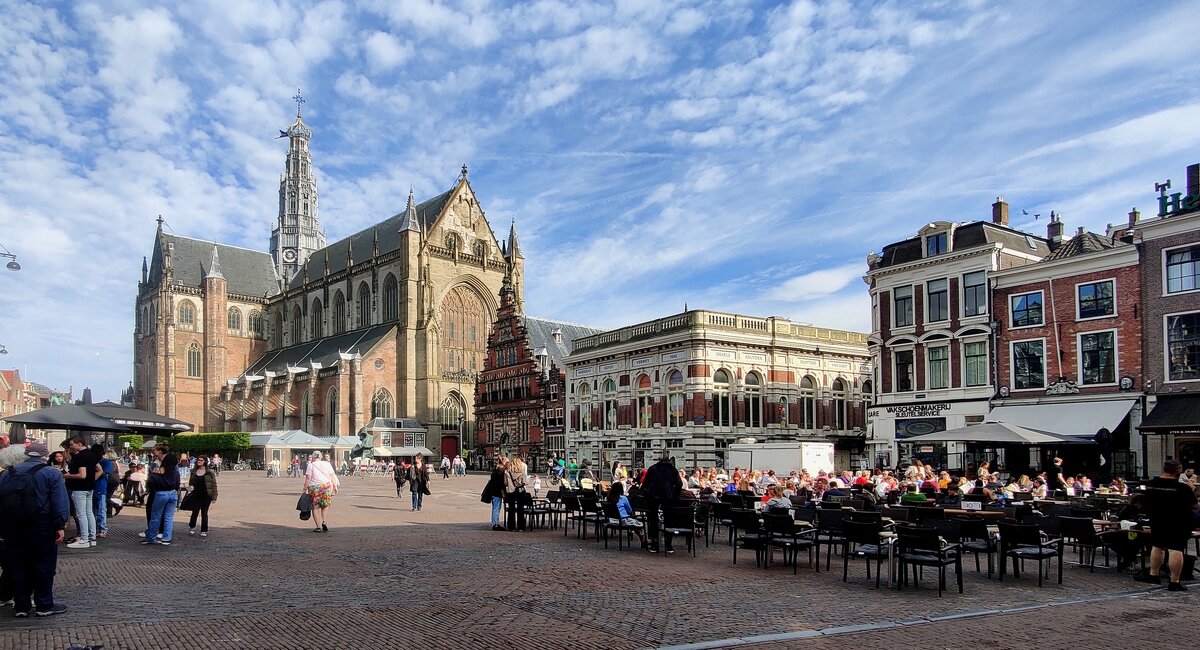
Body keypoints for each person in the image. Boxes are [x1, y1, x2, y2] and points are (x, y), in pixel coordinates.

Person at [0, 442, 71, 617]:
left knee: (17, 564)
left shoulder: (7, 474)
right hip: (41, 523)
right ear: (45, 456)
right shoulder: (51, 473)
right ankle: (44, 605)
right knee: (43, 564)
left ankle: (21, 606)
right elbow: (59, 502)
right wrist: (60, 525)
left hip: (12, 524)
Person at [1136, 460, 1199, 591]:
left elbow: (1144, 502)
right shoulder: (1182, 488)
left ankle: (1154, 574)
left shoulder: (1151, 485)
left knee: (1158, 546)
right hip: (1178, 521)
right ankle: (1174, 581)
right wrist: (1192, 489)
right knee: (1175, 549)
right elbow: (1194, 505)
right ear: (1179, 471)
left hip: (1157, 519)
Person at [63, 436, 101, 549]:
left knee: (81, 514)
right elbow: (100, 470)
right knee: (89, 512)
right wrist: (91, 480)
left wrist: (67, 475)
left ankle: (84, 539)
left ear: (79, 444)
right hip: (90, 487)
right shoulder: (91, 455)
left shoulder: (80, 456)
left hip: (80, 488)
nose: (70, 447)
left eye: (71, 444)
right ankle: (92, 538)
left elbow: (82, 475)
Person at [642, 452, 683, 554]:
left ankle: (654, 544)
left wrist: (646, 492)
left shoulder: (652, 468)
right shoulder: (673, 470)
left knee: (653, 520)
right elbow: (679, 484)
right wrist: (675, 495)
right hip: (668, 497)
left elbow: (646, 483)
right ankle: (669, 545)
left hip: (653, 496)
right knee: (669, 520)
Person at [143, 443, 179, 546]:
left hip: (161, 494)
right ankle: (166, 538)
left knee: (156, 516)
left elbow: (152, 483)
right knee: (168, 517)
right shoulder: (175, 472)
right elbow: (177, 483)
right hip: (172, 494)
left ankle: (151, 537)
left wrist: (155, 475)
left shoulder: (158, 472)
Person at [303, 451, 340, 532]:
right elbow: (332, 475)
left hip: (315, 487)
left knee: (315, 507)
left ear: (312, 457)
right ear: (320, 457)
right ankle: (324, 521)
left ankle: (318, 526)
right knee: (325, 505)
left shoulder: (310, 465)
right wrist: (335, 486)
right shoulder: (327, 464)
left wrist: (305, 488)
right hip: (326, 486)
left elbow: (308, 478)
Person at [606, 481, 648, 547]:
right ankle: (643, 541)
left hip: (612, 520)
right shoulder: (623, 498)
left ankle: (642, 540)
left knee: (633, 521)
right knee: (638, 525)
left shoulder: (608, 498)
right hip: (622, 520)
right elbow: (629, 510)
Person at [186, 455, 218, 537]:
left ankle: (204, 530)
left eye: (201, 460)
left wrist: (214, 496)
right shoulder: (193, 471)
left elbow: (214, 485)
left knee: (204, 513)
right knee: (195, 511)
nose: (199, 461)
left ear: (205, 462)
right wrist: (189, 489)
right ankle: (192, 526)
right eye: (198, 460)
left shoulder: (210, 472)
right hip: (196, 494)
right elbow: (191, 483)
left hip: (206, 495)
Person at [504, 457, 529, 532]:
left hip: (511, 491)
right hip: (520, 492)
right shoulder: (522, 471)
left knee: (511, 509)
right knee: (520, 509)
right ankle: (521, 527)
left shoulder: (507, 472)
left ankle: (511, 527)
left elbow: (505, 483)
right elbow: (525, 482)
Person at [484, 457, 507, 531]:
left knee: (495, 508)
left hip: (493, 492)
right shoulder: (500, 472)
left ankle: (494, 523)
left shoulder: (495, 470)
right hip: (497, 492)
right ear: (503, 463)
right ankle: (495, 524)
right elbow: (500, 484)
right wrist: (503, 492)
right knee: (497, 508)